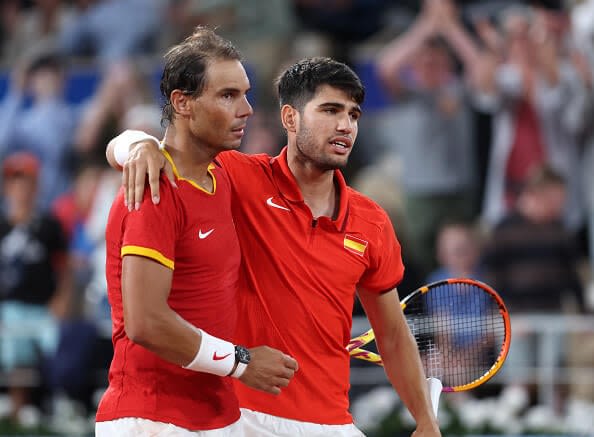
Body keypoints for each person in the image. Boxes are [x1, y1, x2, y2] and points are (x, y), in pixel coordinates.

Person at [108, 56, 441, 436]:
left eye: (353, 114)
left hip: (333, 422)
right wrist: (138, 145)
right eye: (330, 110)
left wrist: (426, 421)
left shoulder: (373, 222)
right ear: (290, 118)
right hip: (243, 418)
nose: (345, 126)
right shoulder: (238, 177)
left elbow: (393, 335)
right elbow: (162, 149)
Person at [95, 27, 298, 436]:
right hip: (152, 418)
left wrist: (132, 143)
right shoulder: (154, 190)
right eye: (227, 95)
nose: (246, 109)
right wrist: (242, 361)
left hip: (216, 413)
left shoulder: (222, 176)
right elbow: (146, 323)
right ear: (182, 103)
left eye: (245, 93)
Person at [0, 151, 71, 423]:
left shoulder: (49, 226)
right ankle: (20, 407)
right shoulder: (1, 226)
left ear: (36, 186)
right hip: (9, 308)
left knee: (57, 344)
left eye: (27, 182)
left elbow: (64, 268)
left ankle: (54, 406)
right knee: (13, 341)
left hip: (43, 307)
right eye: (16, 182)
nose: (21, 188)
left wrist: (61, 300)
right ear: (7, 186)